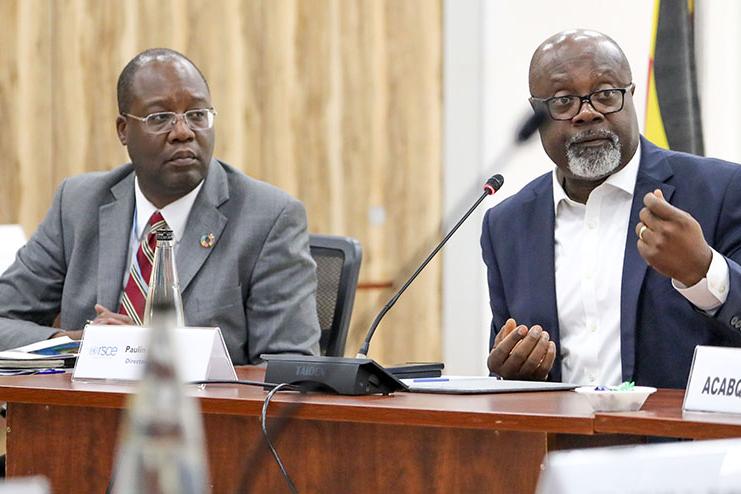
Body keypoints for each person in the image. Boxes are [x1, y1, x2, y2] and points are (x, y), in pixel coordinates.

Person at [0, 48, 321, 364]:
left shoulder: (268, 218)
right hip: (84, 398)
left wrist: (147, 349)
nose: (183, 132)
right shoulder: (77, 204)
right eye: (160, 118)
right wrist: (76, 343)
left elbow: (289, 367)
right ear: (123, 130)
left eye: (197, 115)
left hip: (198, 400)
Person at [481, 30, 741, 389]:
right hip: (558, 427)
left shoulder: (719, 191)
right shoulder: (506, 225)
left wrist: (704, 272)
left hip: (677, 426)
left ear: (630, 95)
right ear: (537, 113)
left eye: (605, 94)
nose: (587, 113)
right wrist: (512, 375)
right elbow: (505, 364)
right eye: (563, 101)